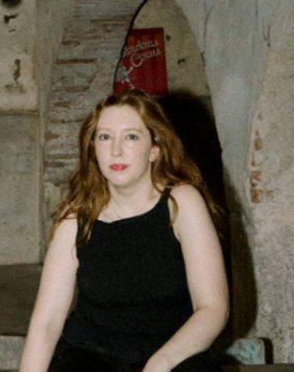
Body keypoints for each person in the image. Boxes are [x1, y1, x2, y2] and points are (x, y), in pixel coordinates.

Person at [20, 90, 229, 372]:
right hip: (92, 357)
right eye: (105, 137)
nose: (116, 150)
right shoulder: (77, 214)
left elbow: (213, 309)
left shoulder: (181, 202)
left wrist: (161, 363)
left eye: (131, 136)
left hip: (173, 353)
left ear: (154, 149)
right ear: (93, 148)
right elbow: (48, 320)